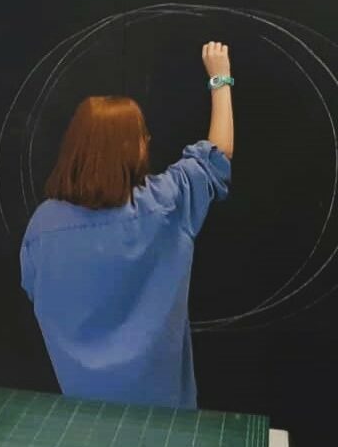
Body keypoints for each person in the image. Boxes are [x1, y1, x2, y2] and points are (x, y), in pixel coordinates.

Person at [20, 42, 234, 409]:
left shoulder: (43, 227)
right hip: (166, 413)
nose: (148, 141)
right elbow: (218, 156)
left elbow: (34, 290)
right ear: (133, 148)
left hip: (82, 408)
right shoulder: (166, 204)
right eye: (142, 135)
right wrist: (221, 79)